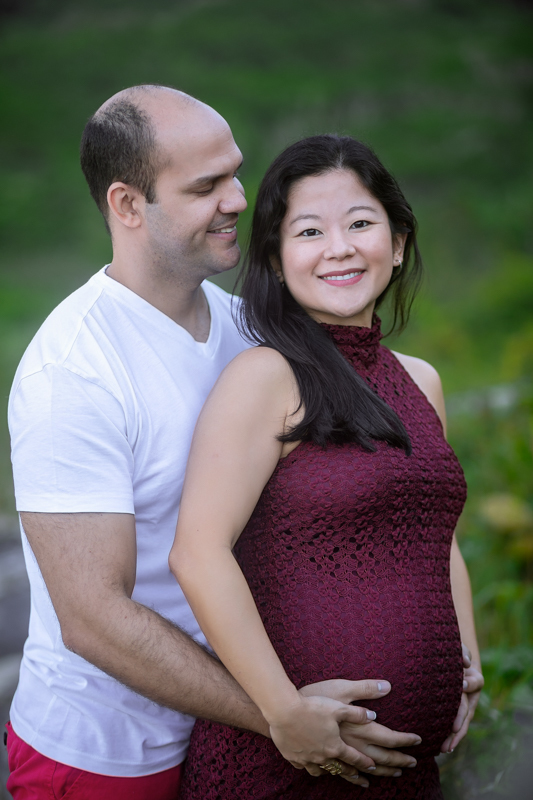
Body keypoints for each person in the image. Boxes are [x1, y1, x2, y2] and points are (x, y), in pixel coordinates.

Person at [5, 87, 426, 798]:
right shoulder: (72, 370)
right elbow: (92, 618)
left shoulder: (253, 331)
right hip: (111, 755)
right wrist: (276, 712)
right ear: (128, 205)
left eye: (235, 173)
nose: (237, 199)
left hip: (239, 739)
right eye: (205, 186)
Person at [170, 134, 484, 798]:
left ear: (396, 243)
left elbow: (435, 536)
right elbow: (199, 554)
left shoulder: (419, 381)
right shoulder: (266, 378)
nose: (339, 247)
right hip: (281, 763)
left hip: (399, 772)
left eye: (360, 224)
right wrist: (283, 713)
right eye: (309, 231)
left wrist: (466, 661)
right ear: (278, 262)